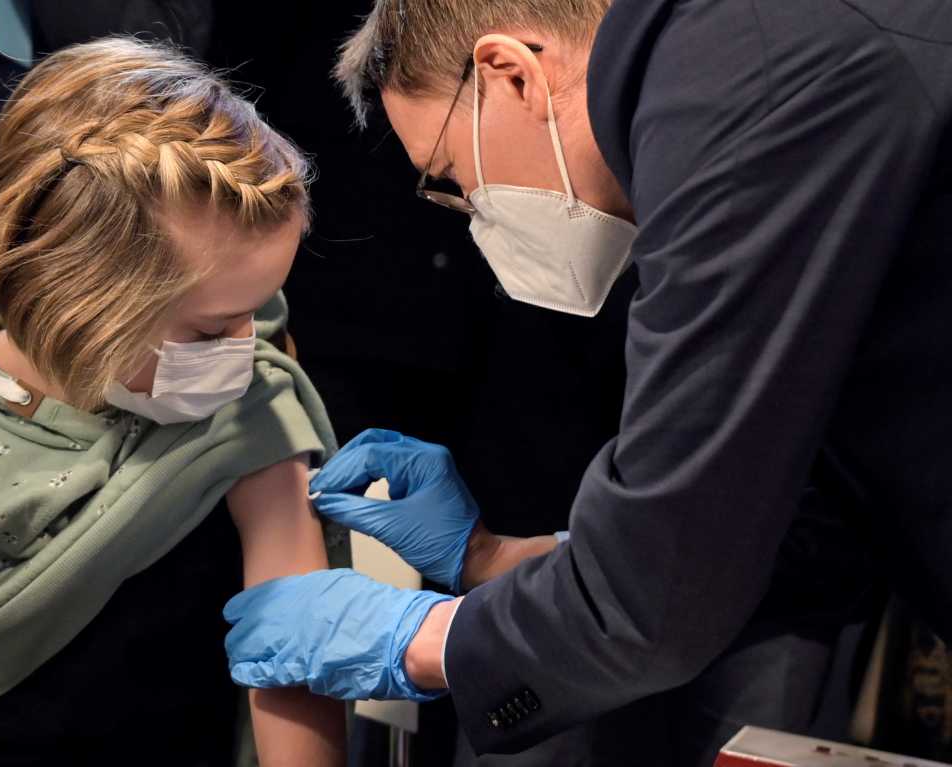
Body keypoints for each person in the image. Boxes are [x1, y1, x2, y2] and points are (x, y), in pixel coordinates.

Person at [221, 0, 952, 763]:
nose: (467, 213)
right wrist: (495, 559)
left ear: (512, 74)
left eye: (449, 178)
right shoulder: (730, 60)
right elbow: (743, 529)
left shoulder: (734, 97)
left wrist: (421, 638)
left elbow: (662, 595)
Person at [0, 37, 350, 766]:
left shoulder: (244, 405)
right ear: (81, 298)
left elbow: (295, 656)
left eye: (259, 308)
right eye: (212, 326)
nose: (251, 342)